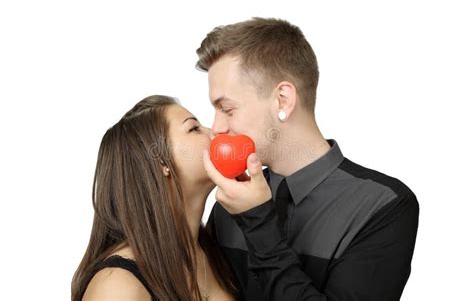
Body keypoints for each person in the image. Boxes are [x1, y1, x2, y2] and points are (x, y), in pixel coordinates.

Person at [196, 17, 419, 300]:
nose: (216, 128)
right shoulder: (230, 203)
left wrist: (258, 222)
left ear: (283, 101)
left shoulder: (384, 205)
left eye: (227, 109)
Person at [71, 95, 240, 300]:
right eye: (194, 128)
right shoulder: (116, 286)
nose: (215, 131)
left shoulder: (217, 249)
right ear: (161, 162)